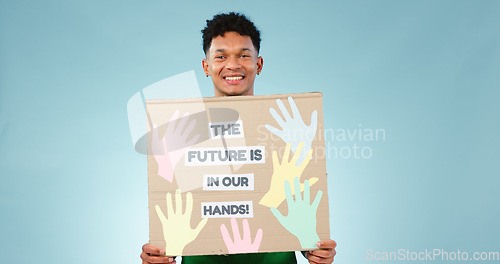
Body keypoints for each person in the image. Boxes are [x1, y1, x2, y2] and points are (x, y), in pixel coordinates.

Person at [140, 12, 337, 264]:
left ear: (259, 64)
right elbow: (174, 215)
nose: (232, 65)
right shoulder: (183, 137)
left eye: (244, 55)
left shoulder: (284, 134)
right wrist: (159, 253)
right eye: (221, 56)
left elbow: (301, 212)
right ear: (206, 67)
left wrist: (314, 247)